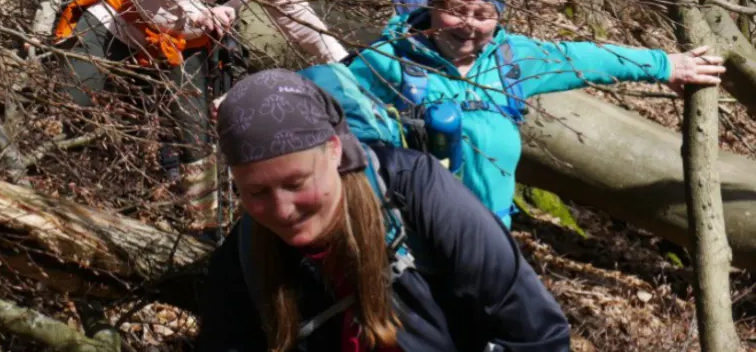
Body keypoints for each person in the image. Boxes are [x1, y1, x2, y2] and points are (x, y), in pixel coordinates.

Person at [339, 0, 726, 226]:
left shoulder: (513, 58)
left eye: (483, 14)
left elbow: (587, 58)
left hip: (492, 232)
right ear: (433, 5)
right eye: (455, 10)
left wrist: (665, 66)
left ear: (498, 15)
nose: (469, 25)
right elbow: (338, 121)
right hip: (412, 231)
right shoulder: (389, 59)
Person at [196, 69, 571, 352]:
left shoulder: (416, 195)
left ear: (333, 150)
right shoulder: (244, 256)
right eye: (256, 191)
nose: (282, 210)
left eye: (296, 184)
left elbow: (537, 333)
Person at [53, 0, 347, 226]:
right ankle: (57, 184)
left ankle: (203, 225)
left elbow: (299, 18)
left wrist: (344, 65)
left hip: (178, 45)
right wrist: (197, 9)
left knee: (196, 138)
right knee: (73, 100)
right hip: (119, 17)